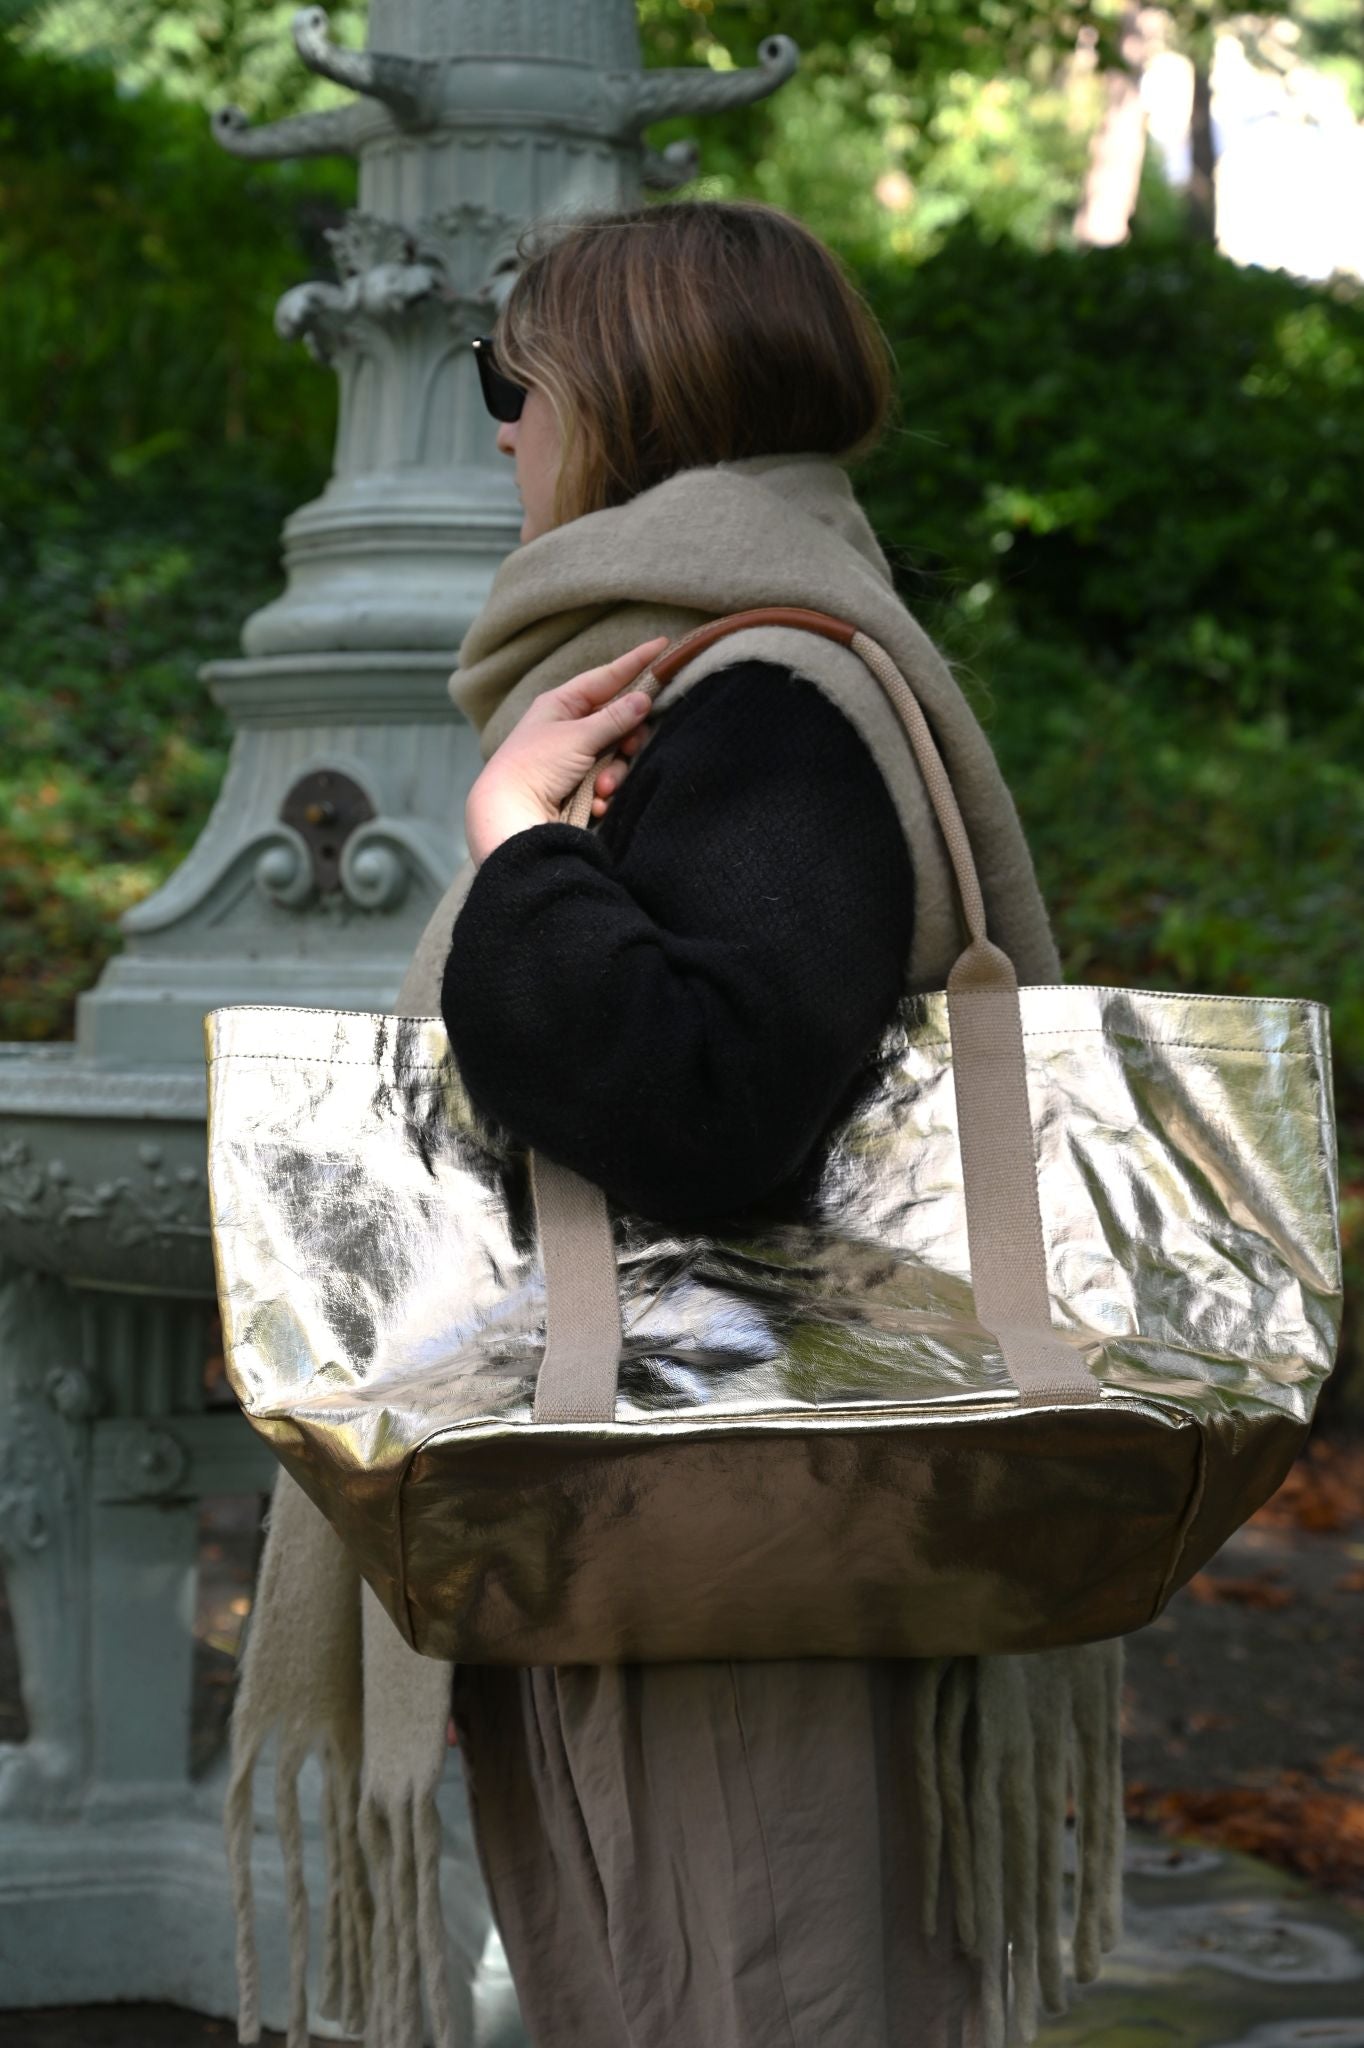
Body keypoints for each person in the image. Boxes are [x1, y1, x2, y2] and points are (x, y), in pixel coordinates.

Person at [225, 200, 1124, 2048]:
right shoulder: (741, 664)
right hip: (703, 1523)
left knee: (739, 1991)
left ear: (623, 393)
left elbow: (700, 1102)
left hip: (712, 1536)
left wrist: (524, 845)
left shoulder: (765, 697)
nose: (493, 423)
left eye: (509, 375)